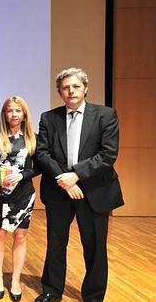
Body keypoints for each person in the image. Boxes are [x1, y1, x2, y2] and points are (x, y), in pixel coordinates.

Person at [34, 67, 124, 302]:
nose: (70, 91)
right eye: (65, 87)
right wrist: (65, 181)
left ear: (85, 88)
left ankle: (93, 296)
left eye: (75, 86)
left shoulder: (106, 115)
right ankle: (51, 291)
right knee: (56, 244)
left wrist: (75, 176)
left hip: (94, 191)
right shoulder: (48, 117)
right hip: (58, 190)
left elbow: (108, 154)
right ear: (59, 92)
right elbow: (42, 154)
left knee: (94, 247)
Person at [0, 96, 39, 301]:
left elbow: (38, 167)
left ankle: (15, 279)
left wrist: (22, 175)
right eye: (10, 110)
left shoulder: (33, 138)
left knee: (20, 236)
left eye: (18, 110)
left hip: (24, 193)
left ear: (24, 114)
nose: (14, 114)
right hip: (0, 193)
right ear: (4, 114)